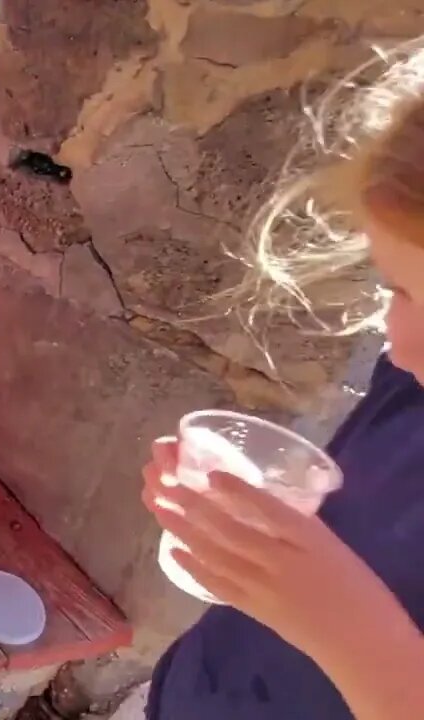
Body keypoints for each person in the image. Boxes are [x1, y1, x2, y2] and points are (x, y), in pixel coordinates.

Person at [140, 41, 424, 720]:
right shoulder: (410, 381)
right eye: (401, 291)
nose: (399, 340)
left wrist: (358, 637)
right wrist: (239, 531)